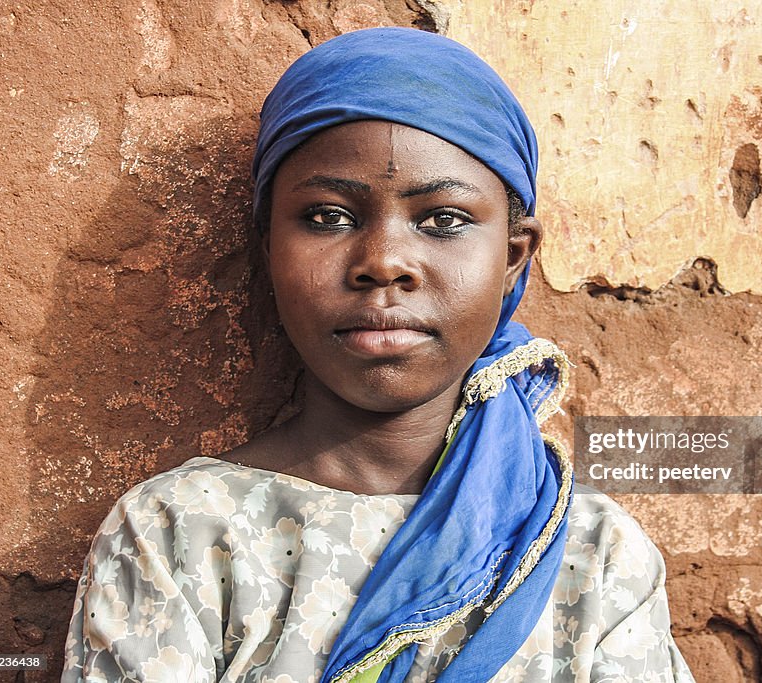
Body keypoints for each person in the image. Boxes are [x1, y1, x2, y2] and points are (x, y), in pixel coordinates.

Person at [62, 27, 694, 683]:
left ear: (512, 255)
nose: (383, 262)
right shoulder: (181, 536)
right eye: (328, 217)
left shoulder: (592, 559)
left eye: (443, 219)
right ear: (267, 248)